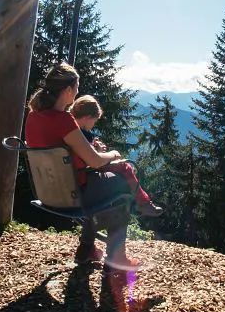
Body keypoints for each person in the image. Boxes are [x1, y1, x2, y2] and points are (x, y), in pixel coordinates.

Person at [24, 62, 140, 271]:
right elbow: (94, 161)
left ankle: (87, 250)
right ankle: (116, 256)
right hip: (75, 193)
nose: (77, 93)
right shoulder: (64, 120)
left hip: (48, 192)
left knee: (105, 190)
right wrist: (113, 154)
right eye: (76, 88)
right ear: (68, 90)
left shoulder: (33, 117)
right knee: (122, 186)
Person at [70, 95, 163, 217]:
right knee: (125, 167)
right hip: (83, 177)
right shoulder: (80, 134)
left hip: (71, 176)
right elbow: (92, 160)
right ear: (87, 117)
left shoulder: (69, 130)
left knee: (123, 168)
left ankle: (141, 203)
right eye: (94, 120)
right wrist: (108, 154)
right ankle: (142, 203)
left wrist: (96, 149)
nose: (94, 124)